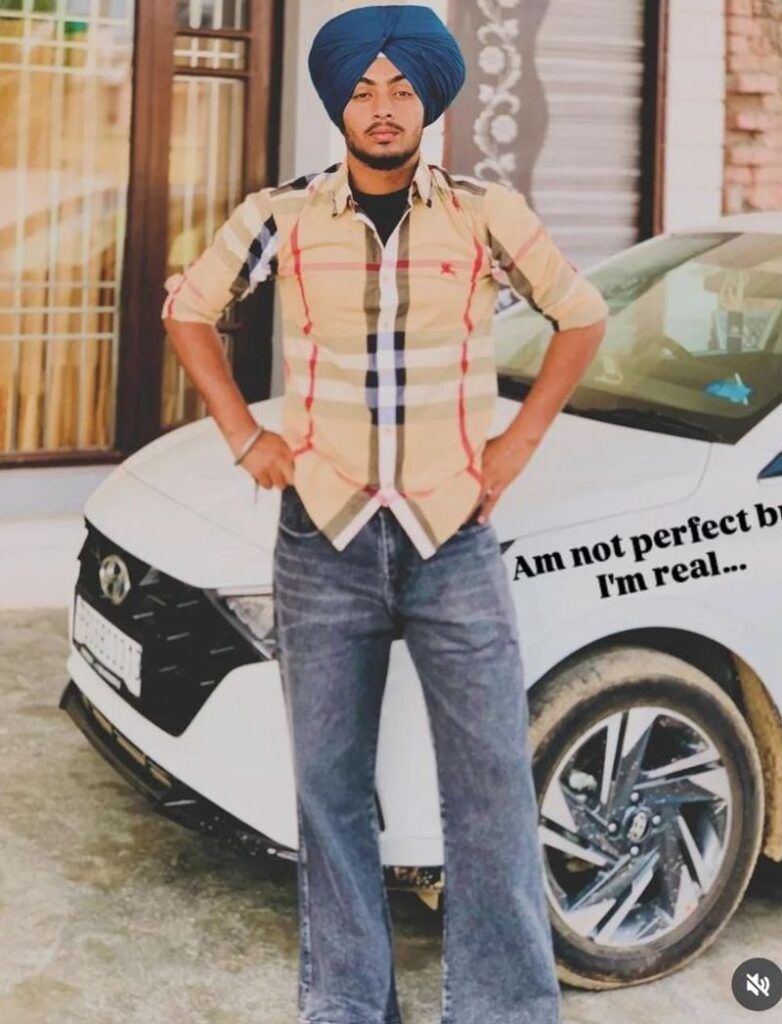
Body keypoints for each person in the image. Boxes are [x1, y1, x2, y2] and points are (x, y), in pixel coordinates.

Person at [161, 6, 608, 1022]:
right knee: (329, 789)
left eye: (401, 89)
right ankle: (348, 1002)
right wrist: (244, 435)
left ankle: (501, 1007)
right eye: (362, 91)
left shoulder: (484, 214)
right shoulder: (282, 215)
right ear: (339, 106)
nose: (382, 108)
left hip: (454, 539)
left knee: (491, 785)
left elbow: (580, 315)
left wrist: (515, 446)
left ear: (428, 103)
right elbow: (188, 308)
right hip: (323, 539)